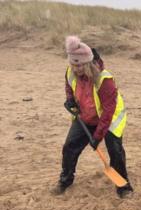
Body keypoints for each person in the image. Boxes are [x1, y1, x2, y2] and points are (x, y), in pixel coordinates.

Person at [52, 36, 133, 198]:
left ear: (88, 63)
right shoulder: (71, 71)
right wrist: (70, 100)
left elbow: (108, 112)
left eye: (80, 65)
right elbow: (69, 85)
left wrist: (97, 137)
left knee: (115, 151)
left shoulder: (104, 80)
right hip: (85, 116)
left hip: (108, 120)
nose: (76, 69)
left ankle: (124, 187)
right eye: (73, 65)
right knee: (69, 147)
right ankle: (65, 180)